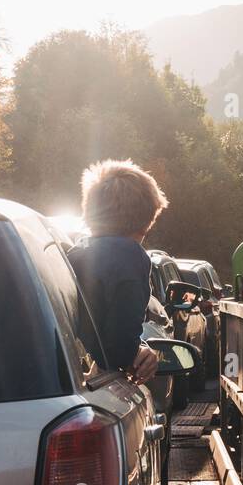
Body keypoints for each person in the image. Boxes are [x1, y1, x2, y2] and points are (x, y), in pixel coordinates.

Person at [67, 159, 167, 384]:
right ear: (148, 218)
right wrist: (137, 354)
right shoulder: (130, 257)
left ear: (90, 210)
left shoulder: (74, 253)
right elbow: (119, 346)